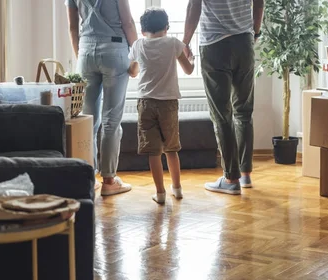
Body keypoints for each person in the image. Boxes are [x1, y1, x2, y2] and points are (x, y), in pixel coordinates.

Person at [182, 0, 264, 195]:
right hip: (244, 42)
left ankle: (231, 178)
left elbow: (194, 5)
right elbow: (259, 3)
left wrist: (185, 42)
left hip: (215, 45)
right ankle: (245, 174)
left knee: (222, 114)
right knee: (244, 111)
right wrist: (255, 32)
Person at [66, 0, 138, 196]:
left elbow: (73, 28)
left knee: (88, 120)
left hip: (86, 52)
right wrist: (137, 55)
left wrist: (81, 54)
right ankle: (109, 181)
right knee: (111, 120)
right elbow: (128, 22)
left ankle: (89, 177)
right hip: (115, 51)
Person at [128, 8, 195, 205]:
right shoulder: (173, 44)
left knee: (153, 152)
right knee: (171, 149)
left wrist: (139, 65)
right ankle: (178, 189)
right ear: (166, 27)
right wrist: (190, 59)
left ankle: (160, 193)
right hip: (168, 104)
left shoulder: (138, 45)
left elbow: (132, 71)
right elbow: (189, 70)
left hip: (146, 102)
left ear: (142, 30)